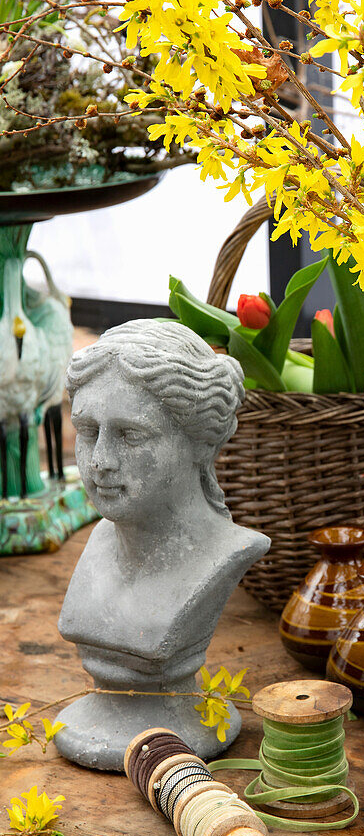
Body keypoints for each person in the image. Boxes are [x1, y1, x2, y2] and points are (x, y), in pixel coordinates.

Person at [55, 319, 269, 771]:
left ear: (199, 444)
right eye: (88, 430)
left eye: (130, 434)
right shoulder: (98, 542)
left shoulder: (226, 554)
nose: (100, 462)